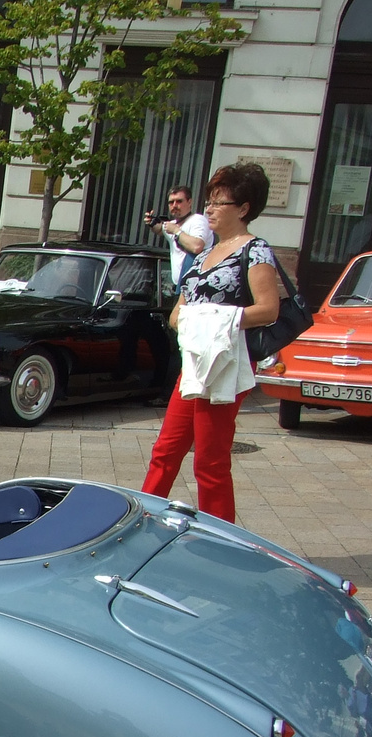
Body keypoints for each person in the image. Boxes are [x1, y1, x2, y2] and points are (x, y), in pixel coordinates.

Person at [141, 162, 280, 524]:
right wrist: (188, 321)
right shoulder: (203, 255)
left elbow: (268, 309)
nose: (210, 210)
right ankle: (138, 521)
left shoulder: (255, 250)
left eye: (220, 203)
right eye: (209, 202)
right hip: (196, 362)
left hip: (226, 364)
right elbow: (177, 313)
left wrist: (218, 319)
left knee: (210, 459)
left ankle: (222, 540)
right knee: (166, 450)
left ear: (244, 209)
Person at [147, 185, 213, 287]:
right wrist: (151, 223)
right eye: (171, 202)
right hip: (179, 286)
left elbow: (197, 246)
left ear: (189, 202)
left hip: (197, 285)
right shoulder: (172, 224)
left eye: (179, 201)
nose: (174, 205)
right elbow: (160, 229)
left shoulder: (197, 220)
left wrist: (176, 231)